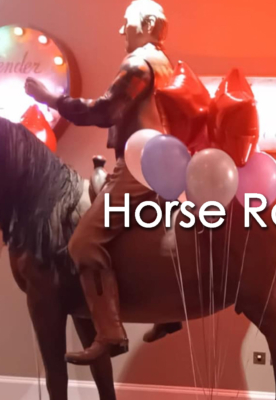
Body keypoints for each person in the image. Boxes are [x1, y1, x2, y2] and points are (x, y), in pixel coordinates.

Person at [25, 0, 182, 365]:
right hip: (165, 164)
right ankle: (168, 313)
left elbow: (102, 111)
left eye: (127, 23)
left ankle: (110, 333)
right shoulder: (165, 64)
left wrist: (50, 99)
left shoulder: (138, 64)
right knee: (148, 238)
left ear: (147, 25)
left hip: (140, 166)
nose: (121, 30)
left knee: (83, 242)